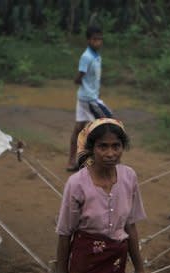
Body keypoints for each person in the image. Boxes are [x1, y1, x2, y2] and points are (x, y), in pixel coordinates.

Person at [51, 118, 147, 273]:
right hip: (85, 266)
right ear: (91, 148)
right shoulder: (76, 184)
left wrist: (140, 269)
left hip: (115, 266)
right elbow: (65, 234)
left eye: (116, 146)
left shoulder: (129, 177)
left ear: (123, 148)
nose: (110, 153)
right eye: (103, 146)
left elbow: (130, 226)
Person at [67, 25, 113, 172]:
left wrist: (94, 91)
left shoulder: (96, 56)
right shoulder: (86, 57)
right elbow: (78, 77)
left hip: (87, 97)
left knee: (79, 129)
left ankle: (72, 161)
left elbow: (94, 79)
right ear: (88, 40)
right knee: (108, 125)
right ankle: (96, 163)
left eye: (100, 39)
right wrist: (88, 89)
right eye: (94, 39)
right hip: (88, 99)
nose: (98, 42)